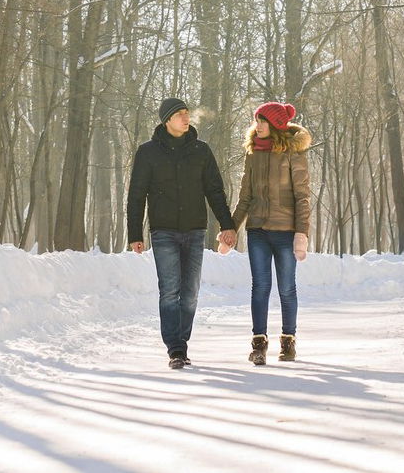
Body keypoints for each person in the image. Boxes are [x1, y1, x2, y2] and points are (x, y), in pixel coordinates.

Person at [127, 97, 236, 369]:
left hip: (195, 229)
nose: (186, 118)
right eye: (180, 114)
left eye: (188, 113)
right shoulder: (147, 152)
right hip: (163, 230)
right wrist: (134, 234)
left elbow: (215, 191)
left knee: (190, 292)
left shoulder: (201, 151)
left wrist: (227, 224)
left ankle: (182, 342)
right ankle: (175, 348)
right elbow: (136, 196)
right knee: (169, 290)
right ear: (167, 121)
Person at [225, 101, 311, 365]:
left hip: (286, 232)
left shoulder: (293, 155)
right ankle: (259, 343)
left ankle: (288, 341)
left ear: (275, 125)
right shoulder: (253, 155)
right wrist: (230, 228)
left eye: (263, 121)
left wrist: (301, 233)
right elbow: (245, 197)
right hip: (258, 231)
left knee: (287, 289)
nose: (257, 125)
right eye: (256, 121)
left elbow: (302, 198)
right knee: (260, 287)